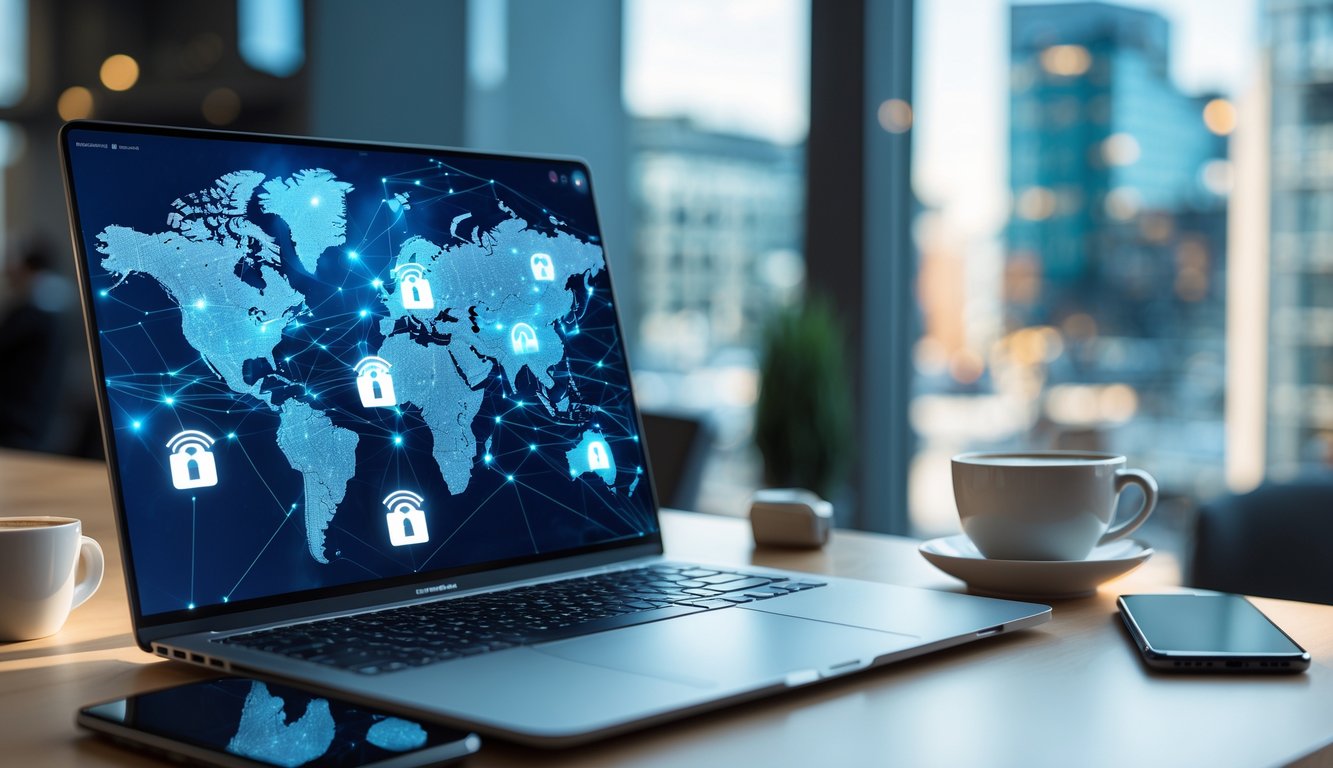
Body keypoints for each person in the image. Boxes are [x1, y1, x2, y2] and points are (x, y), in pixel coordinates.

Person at [0, 240, 69, 450]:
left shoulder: (31, 313)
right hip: (38, 416)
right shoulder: (58, 304)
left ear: (24, 266)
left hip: (16, 421)